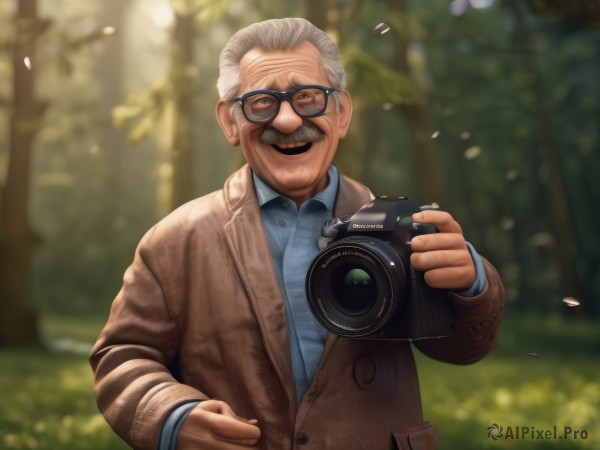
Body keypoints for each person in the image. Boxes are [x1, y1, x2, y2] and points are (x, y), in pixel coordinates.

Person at [90, 17, 505, 450]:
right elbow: (122, 356)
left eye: (307, 97)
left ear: (341, 112)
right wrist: (171, 417)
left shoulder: (402, 231)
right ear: (230, 122)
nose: (287, 121)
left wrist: (470, 281)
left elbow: (461, 350)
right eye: (261, 102)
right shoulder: (175, 240)